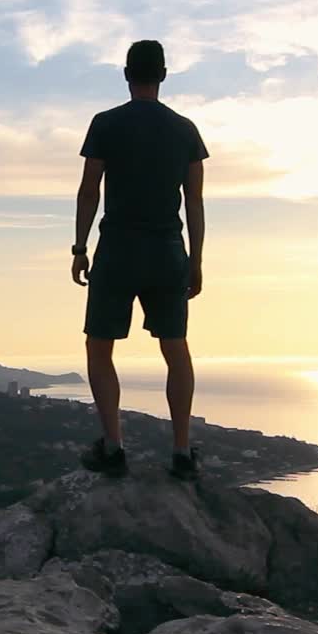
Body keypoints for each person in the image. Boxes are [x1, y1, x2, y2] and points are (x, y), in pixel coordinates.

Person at [70, 39, 208, 481]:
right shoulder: (186, 130)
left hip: (118, 250)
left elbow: (89, 189)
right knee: (176, 349)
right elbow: (195, 202)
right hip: (168, 250)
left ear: (127, 75)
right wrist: (197, 260)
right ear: (163, 75)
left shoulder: (106, 124)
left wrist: (79, 246)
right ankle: (182, 452)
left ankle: (113, 447)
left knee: (99, 346)